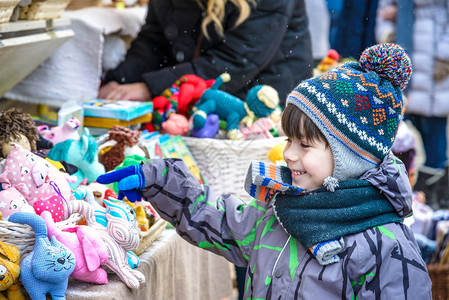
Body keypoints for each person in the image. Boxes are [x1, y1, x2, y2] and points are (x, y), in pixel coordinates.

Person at [97, 43, 432, 299]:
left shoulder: (388, 247)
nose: (288, 154)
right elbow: (218, 221)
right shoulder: (281, 209)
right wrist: (160, 181)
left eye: (304, 144)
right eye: (289, 140)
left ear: (351, 157)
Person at [98, 0, 313, 106]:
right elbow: (155, 40)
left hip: (263, 100)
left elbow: (234, 63)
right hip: (201, 90)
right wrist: (119, 82)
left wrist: (149, 88)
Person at [376, 0, 449, 208]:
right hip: (403, 52)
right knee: (394, 134)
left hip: (434, 58)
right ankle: (397, 195)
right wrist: (388, 39)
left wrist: (445, 55)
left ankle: (433, 199)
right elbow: (384, 12)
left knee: (433, 134)